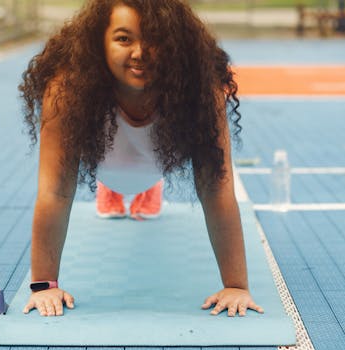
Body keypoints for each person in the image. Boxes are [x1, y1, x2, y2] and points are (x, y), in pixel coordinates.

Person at [20, 0, 264, 318]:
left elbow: (215, 189)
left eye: (155, 39)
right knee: (114, 179)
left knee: (148, 176)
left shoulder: (200, 93)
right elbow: (56, 191)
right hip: (108, 163)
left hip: (156, 161)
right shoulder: (66, 92)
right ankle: (117, 190)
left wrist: (236, 286)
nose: (140, 52)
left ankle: (147, 188)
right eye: (124, 39)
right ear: (100, 42)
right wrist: (44, 286)